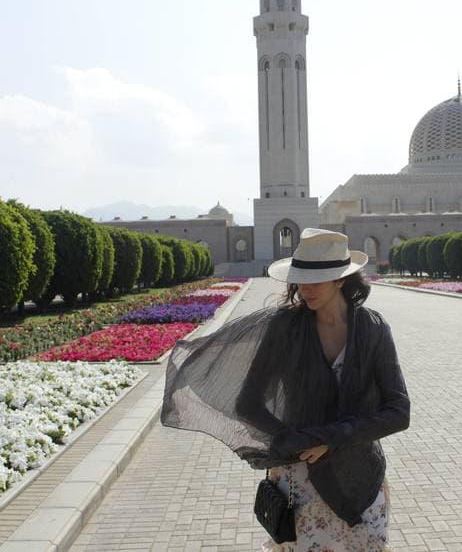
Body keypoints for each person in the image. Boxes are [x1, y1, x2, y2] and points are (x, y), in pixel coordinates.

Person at [161, 228, 410, 550]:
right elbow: (247, 403)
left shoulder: (373, 329)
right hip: (299, 479)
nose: (304, 289)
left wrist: (330, 438)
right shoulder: (285, 328)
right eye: (299, 279)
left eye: (315, 280)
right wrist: (299, 440)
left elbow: (398, 412)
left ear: (340, 280)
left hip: (358, 473)